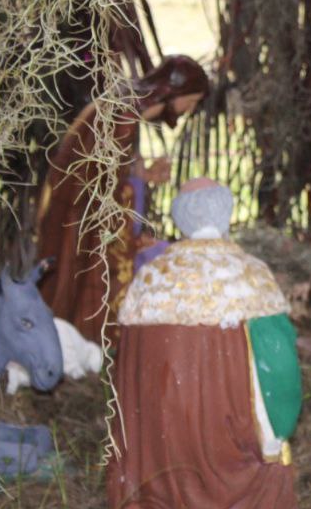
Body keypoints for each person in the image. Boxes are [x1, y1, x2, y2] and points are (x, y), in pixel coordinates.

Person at [94, 178, 302, 509]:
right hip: (228, 461)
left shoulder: (149, 279)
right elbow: (280, 378)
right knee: (274, 468)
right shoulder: (250, 276)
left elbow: (125, 383)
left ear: (178, 218)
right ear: (227, 213)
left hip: (154, 461)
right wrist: (274, 437)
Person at [36, 55, 209, 342]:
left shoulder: (125, 108)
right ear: (172, 92)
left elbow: (111, 170)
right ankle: (98, 338)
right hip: (84, 218)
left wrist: (144, 173)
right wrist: (134, 240)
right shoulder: (125, 118)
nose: (187, 110)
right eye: (189, 102)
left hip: (79, 212)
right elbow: (108, 189)